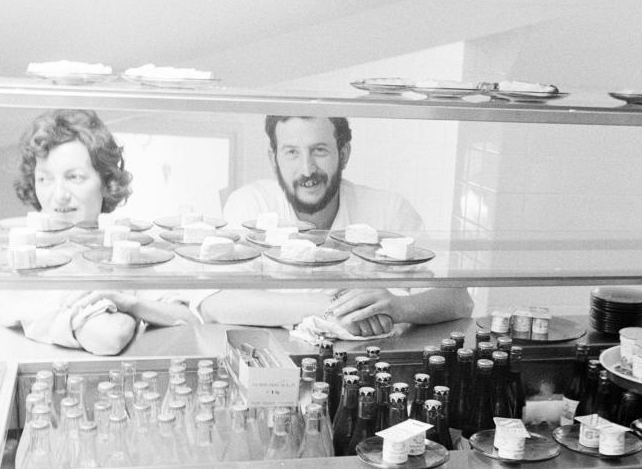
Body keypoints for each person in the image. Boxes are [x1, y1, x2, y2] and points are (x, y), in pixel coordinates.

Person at [199, 115, 472, 336]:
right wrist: (337, 309)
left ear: (343, 153)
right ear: (274, 159)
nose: (307, 169)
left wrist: (400, 307)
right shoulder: (251, 204)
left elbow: (460, 299)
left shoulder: (389, 209)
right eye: (292, 152)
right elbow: (215, 302)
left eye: (319, 150)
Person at [0, 109, 197, 355]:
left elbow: (187, 319)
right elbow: (109, 337)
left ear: (106, 181)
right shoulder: (24, 261)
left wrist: (127, 302)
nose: (58, 195)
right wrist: (139, 311)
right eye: (44, 179)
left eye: (74, 177)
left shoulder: (120, 244)